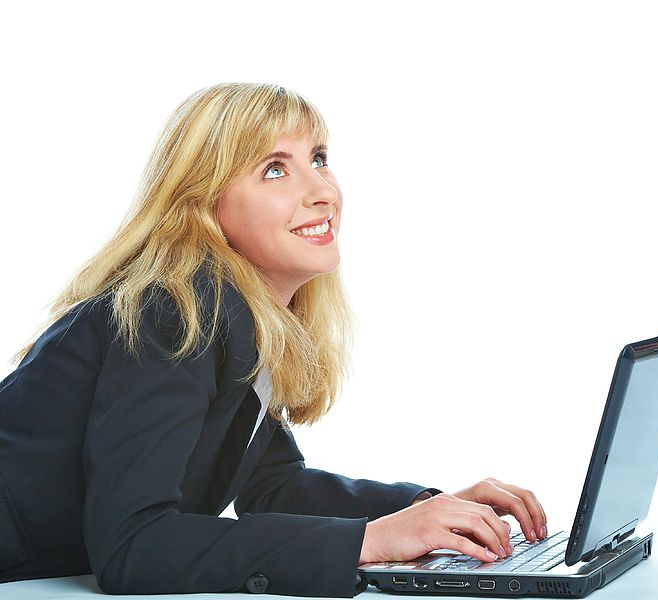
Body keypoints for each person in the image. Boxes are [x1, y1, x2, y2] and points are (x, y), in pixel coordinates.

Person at [0, 82, 548, 597]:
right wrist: (368, 543)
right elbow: (132, 545)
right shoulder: (174, 314)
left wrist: (432, 508)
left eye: (318, 159)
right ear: (203, 207)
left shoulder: (244, 318)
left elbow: (273, 486)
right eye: (273, 170)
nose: (321, 191)